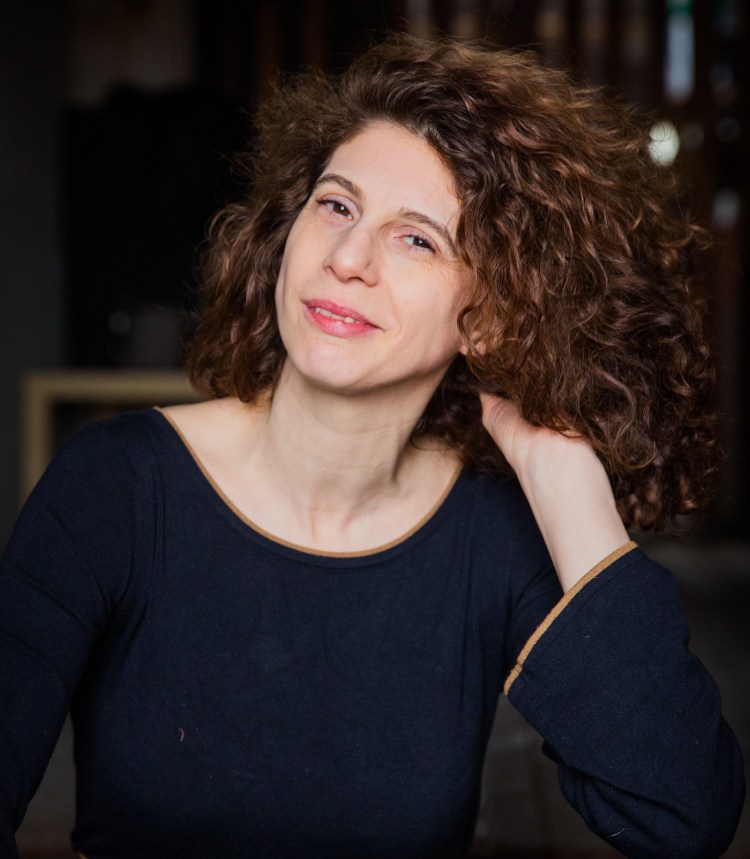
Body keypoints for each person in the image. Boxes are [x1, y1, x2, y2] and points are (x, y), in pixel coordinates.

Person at [0, 32, 744, 859]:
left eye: (416, 238)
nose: (348, 258)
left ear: (491, 317)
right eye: (337, 205)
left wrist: (561, 470)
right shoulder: (113, 488)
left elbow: (683, 816)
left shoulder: (493, 536)